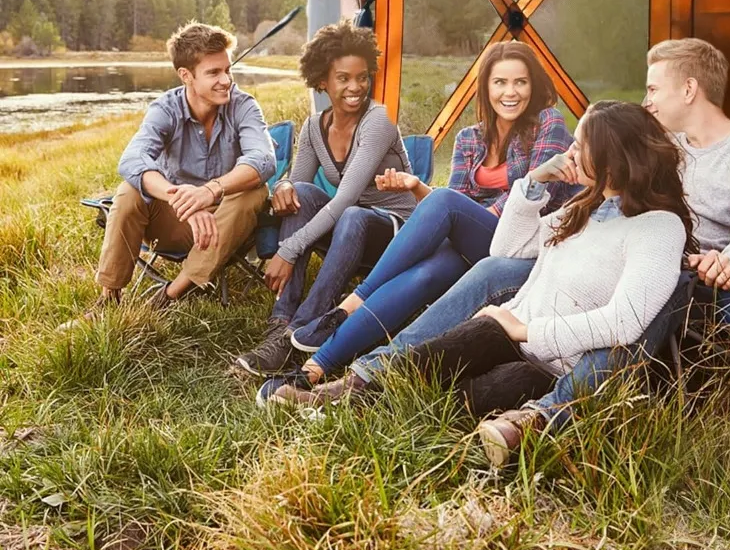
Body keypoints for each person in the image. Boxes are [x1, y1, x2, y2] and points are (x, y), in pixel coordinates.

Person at [276, 38, 730, 466]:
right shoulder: (649, 156)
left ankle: (533, 414)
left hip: (695, 281)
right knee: (490, 268)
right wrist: (538, 184)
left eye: (653, 88)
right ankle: (357, 377)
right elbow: (561, 221)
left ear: (689, 88)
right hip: (585, 277)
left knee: (494, 273)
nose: (647, 101)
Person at [267, 100, 696, 416]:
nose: (569, 154)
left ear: (615, 157)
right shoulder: (583, 208)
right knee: (430, 364)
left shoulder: (657, 227)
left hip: (547, 362)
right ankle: (345, 390)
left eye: (581, 146)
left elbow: (625, 321)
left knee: (460, 402)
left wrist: (527, 329)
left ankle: (350, 393)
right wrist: (532, 181)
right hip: (505, 335)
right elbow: (505, 250)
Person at [253, 40, 576, 400]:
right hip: (474, 239)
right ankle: (315, 368)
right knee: (423, 274)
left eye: (520, 82)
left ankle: (349, 305)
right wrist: (417, 188)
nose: (510, 92)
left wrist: (450, 207)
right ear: (485, 87)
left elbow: (525, 198)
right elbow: (455, 204)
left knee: (442, 202)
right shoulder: (470, 138)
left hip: (520, 241)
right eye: (500, 82)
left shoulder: (550, 124)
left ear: (534, 86)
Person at [58, 22, 276, 327]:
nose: (226, 80)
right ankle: (109, 297)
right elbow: (132, 159)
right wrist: (181, 198)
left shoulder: (243, 106)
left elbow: (264, 159)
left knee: (254, 190)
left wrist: (210, 191)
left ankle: (172, 293)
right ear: (186, 75)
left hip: (228, 225)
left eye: (227, 70)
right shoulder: (165, 109)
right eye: (214, 73)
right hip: (176, 220)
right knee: (129, 191)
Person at [234, 20, 418, 376]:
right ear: (322, 80)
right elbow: (298, 186)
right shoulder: (314, 126)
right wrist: (283, 187)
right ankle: (282, 320)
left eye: (362, 77)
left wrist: (287, 251)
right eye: (343, 78)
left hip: (398, 234)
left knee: (351, 213)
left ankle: (302, 331)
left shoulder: (378, 120)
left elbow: (345, 197)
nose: (356, 87)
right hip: (354, 227)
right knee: (301, 194)